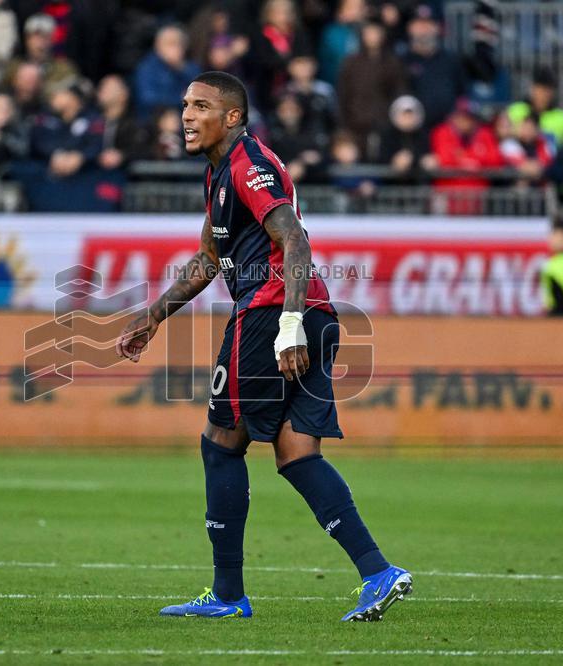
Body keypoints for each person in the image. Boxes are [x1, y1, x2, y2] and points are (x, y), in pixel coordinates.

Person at [117, 71, 411, 622]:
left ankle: (228, 594)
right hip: (312, 314)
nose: (186, 115)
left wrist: (288, 323)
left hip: (272, 314)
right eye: (184, 105)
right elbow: (208, 260)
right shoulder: (219, 173)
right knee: (298, 453)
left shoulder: (248, 166)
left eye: (200, 106)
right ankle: (378, 572)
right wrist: (153, 316)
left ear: (232, 116)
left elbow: (294, 238)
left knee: (220, 444)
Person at [337, 18, 407, 157]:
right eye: (369, 32)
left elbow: (399, 93)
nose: (373, 37)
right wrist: (343, 125)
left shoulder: (392, 63)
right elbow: (343, 94)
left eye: (376, 32)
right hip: (355, 125)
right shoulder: (351, 63)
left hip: (385, 126)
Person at [402, 4, 467, 130]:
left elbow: (462, 94)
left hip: (447, 129)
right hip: (413, 130)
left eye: (428, 24)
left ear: (438, 28)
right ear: (410, 28)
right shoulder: (402, 61)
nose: (424, 30)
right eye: (419, 25)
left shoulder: (451, 60)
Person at [133, 24, 200, 121]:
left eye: (179, 44)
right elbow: (147, 98)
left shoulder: (189, 67)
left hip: (184, 117)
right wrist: (179, 98)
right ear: (158, 45)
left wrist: (180, 68)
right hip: (154, 118)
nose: (175, 48)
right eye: (170, 44)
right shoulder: (147, 67)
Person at [506, 66, 563, 149]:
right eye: (541, 89)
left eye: (548, 90)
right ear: (532, 88)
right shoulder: (515, 111)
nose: (544, 94)